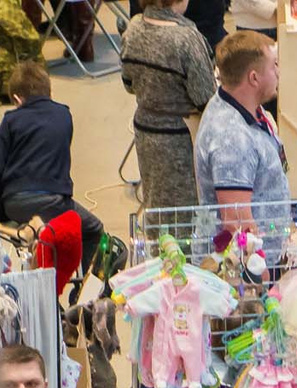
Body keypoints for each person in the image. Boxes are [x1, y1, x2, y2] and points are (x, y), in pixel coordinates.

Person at [0, 57, 91, 241]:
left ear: (17, 99)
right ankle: (87, 269)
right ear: (49, 92)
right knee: (94, 230)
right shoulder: (64, 115)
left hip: (15, 204)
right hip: (55, 203)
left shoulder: (10, 120)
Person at [122, 0, 214, 214]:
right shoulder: (187, 38)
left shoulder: (133, 28)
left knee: (155, 204)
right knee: (186, 212)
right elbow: (205, 98)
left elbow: (128, 84)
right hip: (181, 135)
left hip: (146, 128)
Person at [194, 31, 288, 234]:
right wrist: (260, 266)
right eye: (274, 65)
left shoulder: (243, 103)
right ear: (254, 78)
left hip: (268, 250)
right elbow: (237, 228)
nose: (279, 72)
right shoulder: (232, 141)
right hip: (249, 261)